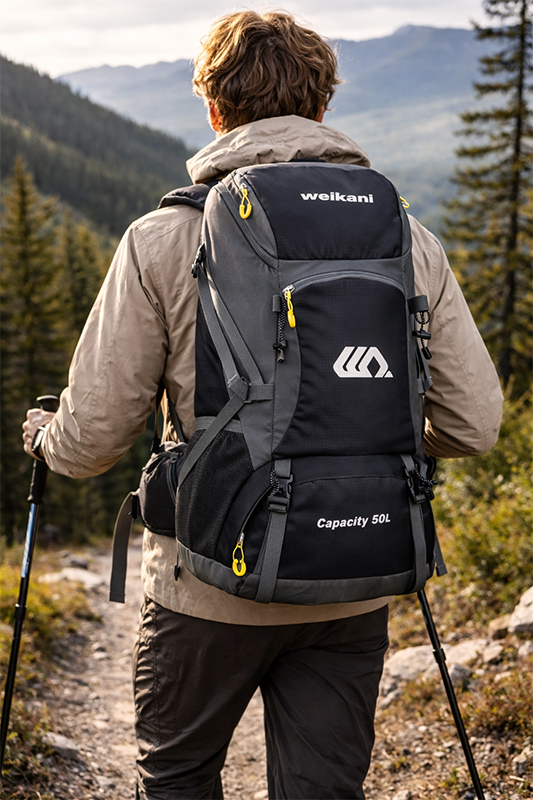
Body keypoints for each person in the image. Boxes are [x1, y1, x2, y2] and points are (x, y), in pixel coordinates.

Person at [23, 11, 503, 800]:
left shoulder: (162, 238)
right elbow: (471, 423)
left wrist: (46, 436)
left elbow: (92, 439)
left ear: (214, 109)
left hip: (206, 584)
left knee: (177, 778)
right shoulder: (404, 238)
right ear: (322, 105)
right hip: (354, 577)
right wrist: (353, 442)